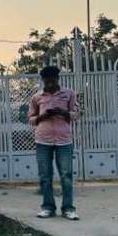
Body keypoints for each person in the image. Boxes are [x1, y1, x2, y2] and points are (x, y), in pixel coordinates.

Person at [28, 66, 80, 219]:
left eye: (53, 81)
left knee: (66, 175)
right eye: (47, 81)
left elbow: (76, 114)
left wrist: (64, 113)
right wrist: (41, 117)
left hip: (64, 140)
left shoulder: (69, 94)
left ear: (58, 79)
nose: (50, 84)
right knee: (45, 175)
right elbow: (31, 118)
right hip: (43, 140)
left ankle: (68, 209)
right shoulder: (37, 97)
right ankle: (48, 207)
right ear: (43, 81)